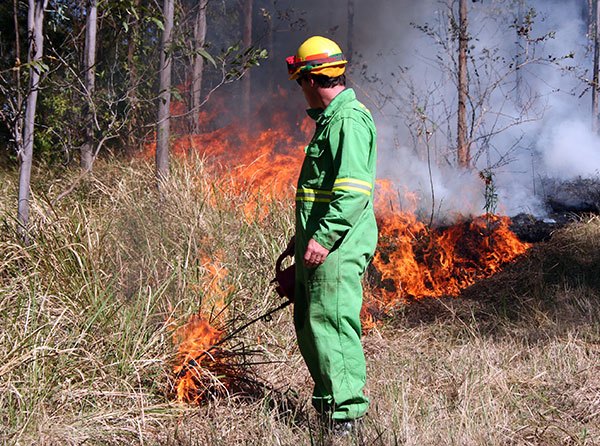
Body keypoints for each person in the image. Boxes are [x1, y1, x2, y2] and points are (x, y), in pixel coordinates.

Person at [281, 35, 378, 433]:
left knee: (333, 325)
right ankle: (328, 404)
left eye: (299, 79)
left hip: (336, 247)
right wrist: (299, 241)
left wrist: (321, 239)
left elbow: (354, 192)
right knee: (311, 323)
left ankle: (346, 416)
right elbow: (319, 194)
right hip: (319, 243)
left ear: (310, 78)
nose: (299, 89)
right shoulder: (332, 121)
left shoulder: (349, 122)